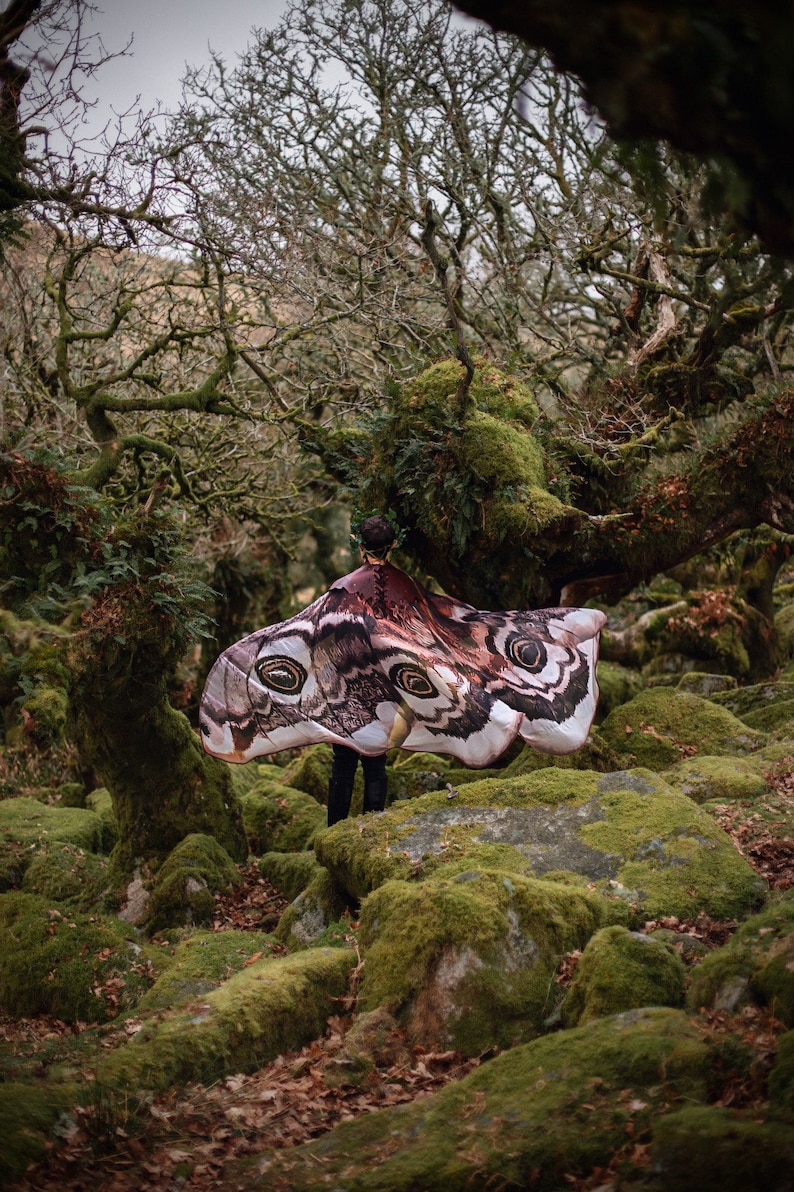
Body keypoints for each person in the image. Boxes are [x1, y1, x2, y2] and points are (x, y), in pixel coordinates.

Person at [326, 515, 396, 826]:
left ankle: (333, 833)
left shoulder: (342, 588)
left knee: (342, 762)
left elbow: (326, 639)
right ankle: (372, 831)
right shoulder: (404, 589)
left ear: (360, 546)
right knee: (376, 760)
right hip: (386, 685)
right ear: (393, 546)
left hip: (347, 684)